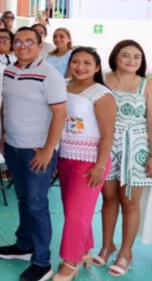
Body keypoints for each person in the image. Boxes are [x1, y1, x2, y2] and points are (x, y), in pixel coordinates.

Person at [0, 27, 67, 281]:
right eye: (18, 41)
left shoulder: (49, 74)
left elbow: (60, 113)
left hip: (37, 151)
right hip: (13, 147)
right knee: (24, 199)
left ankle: (42, 262)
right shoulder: (9, 70)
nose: (23, 45)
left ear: (39, 46)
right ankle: (24, 245)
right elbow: (7, 106)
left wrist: (48, 150)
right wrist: (5, 134)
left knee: (37, 205)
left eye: (29, 41)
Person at [53, 47, 115, 280]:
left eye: (87, 63)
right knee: (73, 210)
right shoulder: (63, 86)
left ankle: (70, 261)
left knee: (76, 214)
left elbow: (107, 135)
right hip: (66, 155)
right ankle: (85, 250)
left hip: (90, 161)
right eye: (76, 62)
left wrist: (100, 166)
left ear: (97, 67)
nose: (80, 67)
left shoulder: (101, 94)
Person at [97, 40, 152, 276]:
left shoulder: (146, 85)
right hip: (106, 146)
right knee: (108, 199)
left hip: (136, 147)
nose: (131, 60)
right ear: (115, 57)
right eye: (126, 55)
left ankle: (126, 253)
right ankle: (107, 245)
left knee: (129, 203)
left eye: (136, 57)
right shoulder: (102, 80)